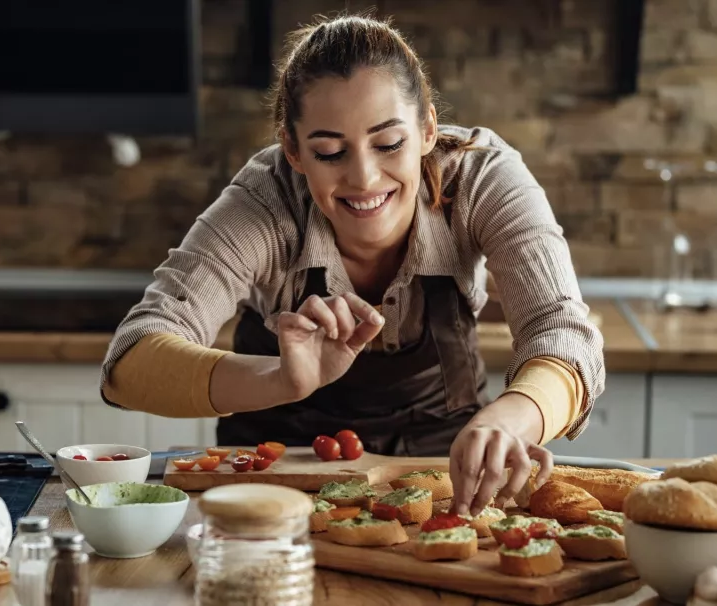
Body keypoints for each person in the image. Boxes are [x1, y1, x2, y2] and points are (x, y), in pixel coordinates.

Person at [98, 13, 604, 517]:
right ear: (293, 151)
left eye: (389, 144)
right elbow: (129, 362)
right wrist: (279, 379)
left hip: (448, 468)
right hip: (278, 477)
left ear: (427, 128)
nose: (363, 177)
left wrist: (513, 419)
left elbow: (562, 329)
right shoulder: (264, 202)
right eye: (330, 152)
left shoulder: (481, 178)